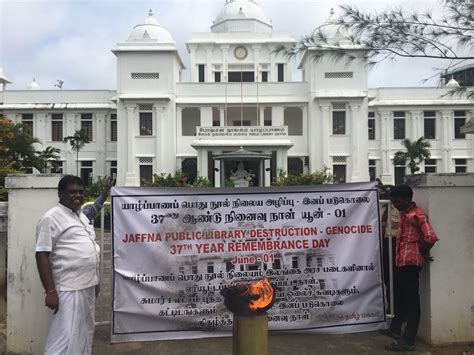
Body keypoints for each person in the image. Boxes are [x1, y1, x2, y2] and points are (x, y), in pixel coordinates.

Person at [35, 175, 113, 354]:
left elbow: (94, 209)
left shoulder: (80, 215)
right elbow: (42, 255)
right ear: (60, 194)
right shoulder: (51, 218)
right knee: (63, 338)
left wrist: (104, 193)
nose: (77, 195)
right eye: (72, 192)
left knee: (84, 332)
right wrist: (50, 292)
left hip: (87, 286)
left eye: (80, 192)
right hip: (67, 289)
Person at [383, 184, 438, 352]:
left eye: (396, 200)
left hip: (410, 263)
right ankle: (395, 329)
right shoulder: (404, 213)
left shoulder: (417, 215)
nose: (395, 203)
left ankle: (408, 340)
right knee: (400, 296)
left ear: (407, 199)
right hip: (402, 261)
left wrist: (422, 251)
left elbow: (430, 237)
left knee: (411, 302)